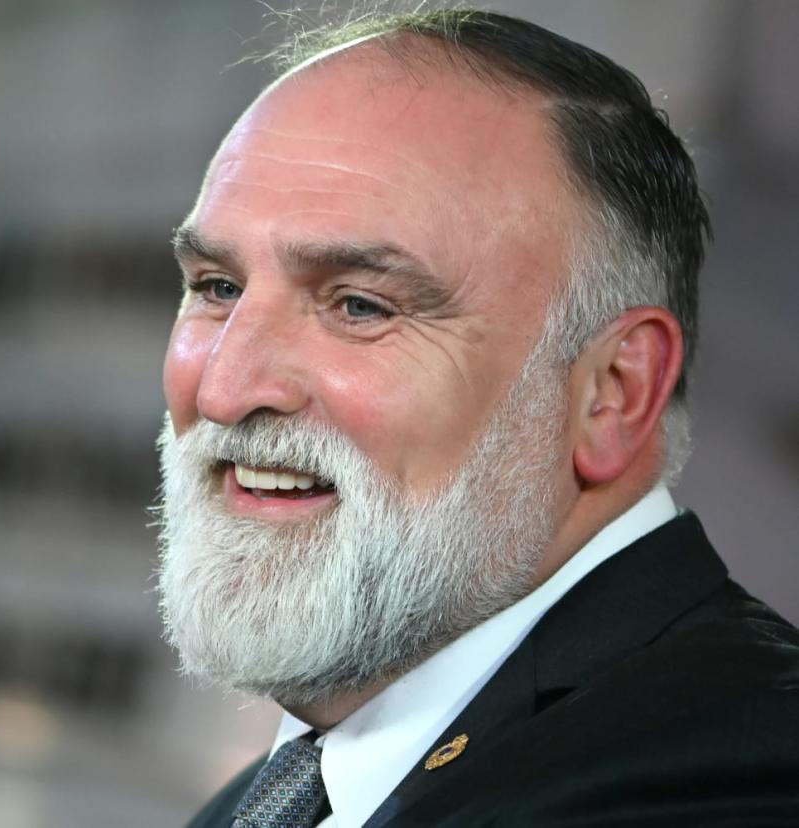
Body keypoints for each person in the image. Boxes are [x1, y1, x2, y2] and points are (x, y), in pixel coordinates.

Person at [153, 8, 799, 827]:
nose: (223, 388)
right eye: (216, 287)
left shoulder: (734, 779)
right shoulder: (272, 799)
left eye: (359, 305)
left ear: (613, 392)